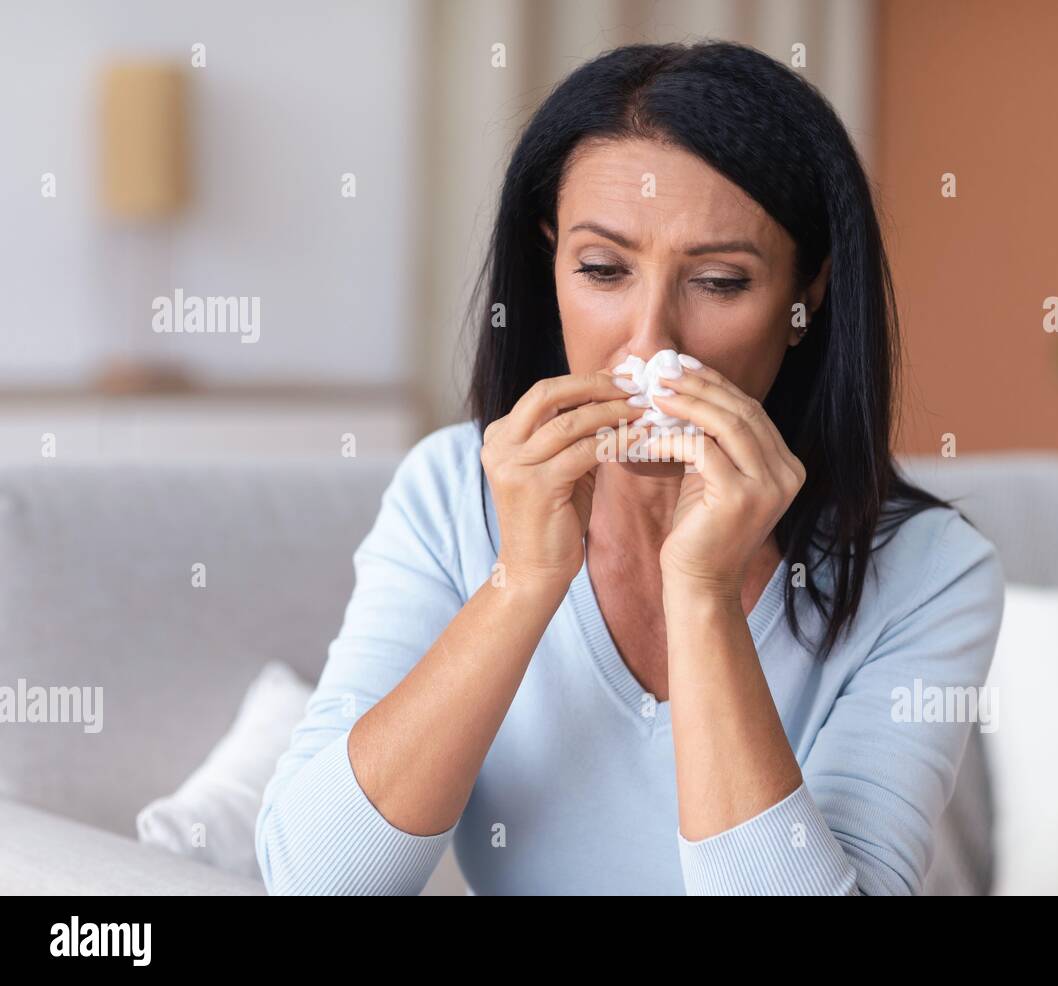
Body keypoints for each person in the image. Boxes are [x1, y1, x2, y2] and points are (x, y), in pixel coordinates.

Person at [255, 40, 1005, 895]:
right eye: (604, 270)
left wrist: (703, 595)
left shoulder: (931, 572)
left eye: (720, 282)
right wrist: (526, 578)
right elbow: (314, 883)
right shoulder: (450, 493)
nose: (651, 342)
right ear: (551, 270)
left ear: (809, 298)